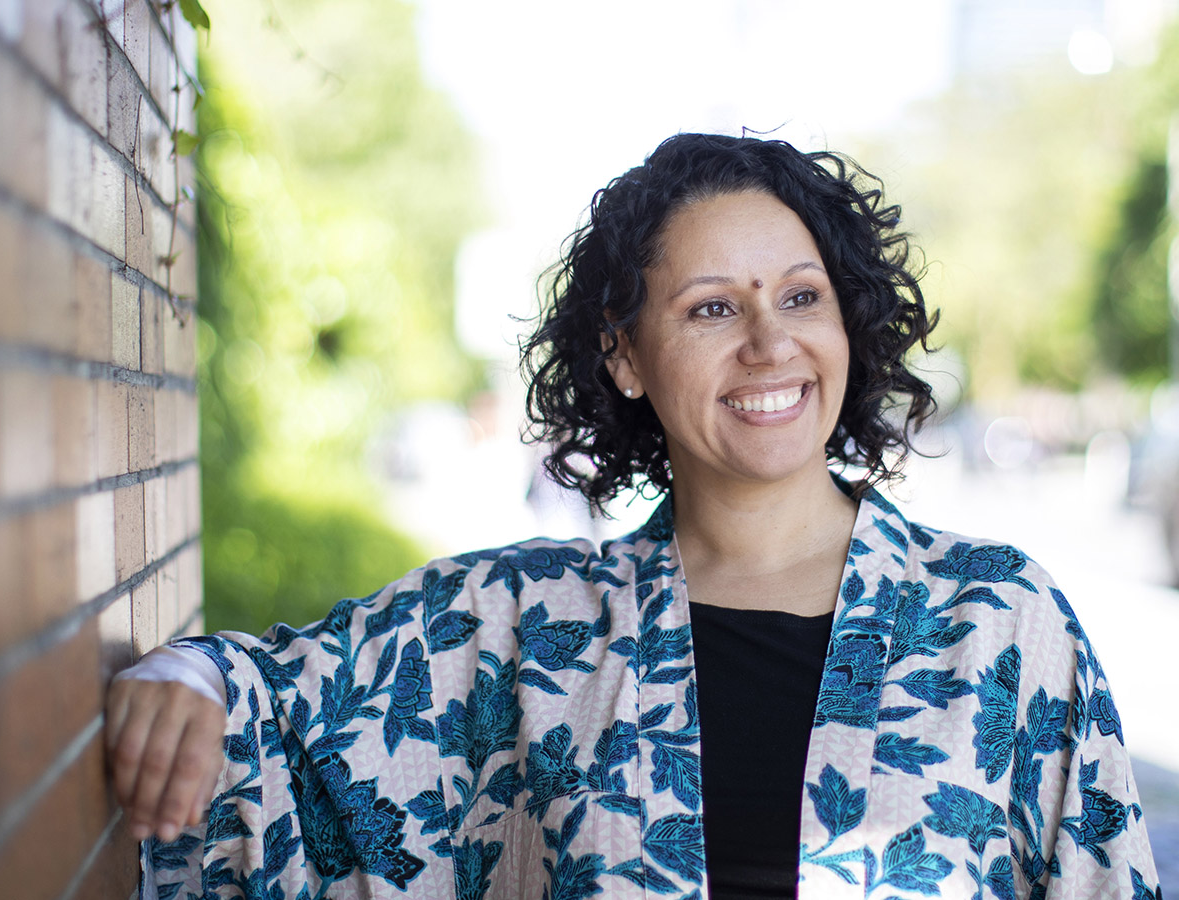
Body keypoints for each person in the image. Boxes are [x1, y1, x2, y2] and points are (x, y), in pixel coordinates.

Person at [106, 133, 1162, 900]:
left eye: (801, 297)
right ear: (623, 354)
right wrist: (188, 676)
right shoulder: (525, 625)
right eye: (711, 308)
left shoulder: (998, 619)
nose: (768, 343)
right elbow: (283, 705)